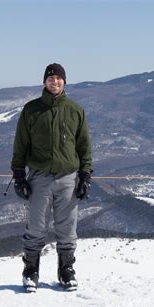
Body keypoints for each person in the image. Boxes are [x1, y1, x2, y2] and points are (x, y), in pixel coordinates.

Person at [11, 63, 92, 292]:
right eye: (50, 78)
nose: (54, 82)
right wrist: (19, 175)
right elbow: (20, 145)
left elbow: (84, 146)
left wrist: (85, 176)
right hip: (40, 177)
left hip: (68, 177)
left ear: (64, 81)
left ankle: (66, 271)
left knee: (67, 228)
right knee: (36, 226)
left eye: (58, 78)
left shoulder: (75, 110)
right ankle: (30, 272)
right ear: (44, 82)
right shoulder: (32, 110)